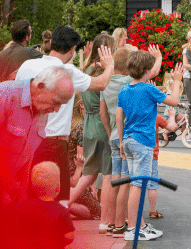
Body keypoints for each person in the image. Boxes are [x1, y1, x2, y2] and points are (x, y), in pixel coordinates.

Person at [0, 67, 74, 248]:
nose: (56, 110)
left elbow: (27, 156)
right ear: (40, 86)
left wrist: (22, 194)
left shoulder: (42, 111)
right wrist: (8, 184)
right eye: (56, 102)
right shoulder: (5, 95)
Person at [15, 25, 114, 202]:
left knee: (28, 198)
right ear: (73, 49)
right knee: (57, 201)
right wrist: (109, 66)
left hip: (26, 141)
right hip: (54, 144)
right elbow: (101, 83)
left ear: (52, 42)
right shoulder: (67, 71)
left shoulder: (27, 65)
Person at [117, 47, 183, 241]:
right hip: (143, 141)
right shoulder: (148, 88)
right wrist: (177, 81)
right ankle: (133, 227)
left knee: (133, 182)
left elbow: (119, 117)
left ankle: (139, 225)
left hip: (128, 139)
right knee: (138, 184)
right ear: (147, 71)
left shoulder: (124, 89)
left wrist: (121, 141)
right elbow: (174, 101)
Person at [69, 33, 115, 233]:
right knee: (107, 175)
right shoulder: (103, 72)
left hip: (88, 124)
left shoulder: (86, 69)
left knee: (88, 174)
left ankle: (64, 204)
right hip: (100, 125)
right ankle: (106, 220)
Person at [99, 48, 133, 238]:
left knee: (114, 180)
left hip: (112, 134)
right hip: (126, 136)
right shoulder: (129, 82)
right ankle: (122, 222)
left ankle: (111, 221)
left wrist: (109, 131)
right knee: (126, 181)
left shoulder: (106, 83)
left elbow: (102, 112)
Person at [6, 161, 75, 249]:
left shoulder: (22, 207)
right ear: (57, 188)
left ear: (32, 187)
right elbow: (69, 236)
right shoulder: (61, 210)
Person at [66, 91, 101, 219]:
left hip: (64, 171)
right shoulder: (80, 126)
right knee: (98, 212)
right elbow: (81, 158)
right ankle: (58, 204)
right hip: (74, 173)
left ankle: (61, 203)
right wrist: (90, 185)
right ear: (82, 105)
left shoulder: (68, 122)